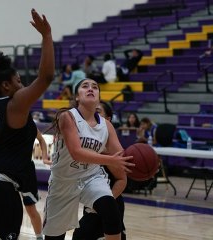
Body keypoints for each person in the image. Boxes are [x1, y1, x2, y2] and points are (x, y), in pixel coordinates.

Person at [0, 8, 54, 240]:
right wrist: (46, 36)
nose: (22, 82)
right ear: (6, 86)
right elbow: (45, 78)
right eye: (17, 80)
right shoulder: (15, 104)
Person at [42, 79, 134, 239]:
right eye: (85, 86)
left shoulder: (107, 126)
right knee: (54, 237)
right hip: (62, 182)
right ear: (77, 97)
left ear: (99, 96)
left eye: (95, 87)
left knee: (111, 210)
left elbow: (121, 158)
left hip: (91, 177)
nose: (90, 89)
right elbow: (76, 153)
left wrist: (135, 162)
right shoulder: (67, 117)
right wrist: (111, 159)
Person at [72, 100, 127, 240]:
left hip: (109, 203)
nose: (93, 114)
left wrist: (104, 203)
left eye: (98, 112)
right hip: (91, 202)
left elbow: (121, 180)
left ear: (107, 120)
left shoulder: (110, 148)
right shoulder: (86, 141)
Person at [24, 129, 52, 240]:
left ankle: (39, 237)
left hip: (25, 170)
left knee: (30, 208)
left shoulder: (28, 123)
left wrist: (44, 157)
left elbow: (41, 139)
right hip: (6, 170)